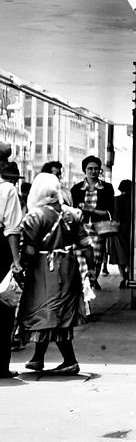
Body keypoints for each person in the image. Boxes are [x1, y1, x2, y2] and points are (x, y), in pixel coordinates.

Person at [6, 173, 94, 375]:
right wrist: (91, 269)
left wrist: (20, 267)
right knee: (56, 312)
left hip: (44, 270)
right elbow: (86, 246)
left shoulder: (35, 216)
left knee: (46, 311)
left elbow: (28, 249)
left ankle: (68, 360)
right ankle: (38, 358)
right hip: (69, 268)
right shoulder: (72, 214)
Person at [70, 155, 115, 284]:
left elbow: (109, 212)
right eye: (90, 168)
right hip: (80, 228)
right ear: (85, 170)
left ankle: (92, 281)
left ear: (100, 170)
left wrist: (90, 209)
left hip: (99, 228)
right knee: (81, 256)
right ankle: (84, 282)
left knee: (97, 257)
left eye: (96, 168)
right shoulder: (77, 188)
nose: (93, 171)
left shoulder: (107, 188)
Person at [0, 162, 24, 378]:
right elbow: (12, 229)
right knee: (4, 306)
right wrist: (16, 260)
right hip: (0, 250)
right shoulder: (7, 190)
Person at [108, 180, 133, 290]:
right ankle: (130, 275)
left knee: (120, 255)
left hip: (119, 230)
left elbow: (116, 216)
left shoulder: (116, 200)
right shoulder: (133, 199)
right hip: (131, 229)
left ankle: (124, 277)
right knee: (130, 254)